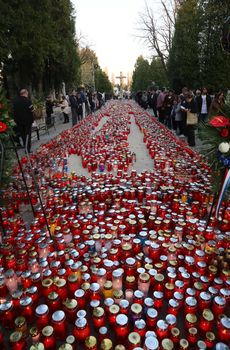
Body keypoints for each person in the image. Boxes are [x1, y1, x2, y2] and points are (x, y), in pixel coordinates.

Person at [13, 89, 34, 153]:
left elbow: (14, 111)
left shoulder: (15, 101)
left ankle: (25, 147)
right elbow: (32, 109)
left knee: (23, 135)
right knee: (28, 135)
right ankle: (27, 149)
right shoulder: (28, 100)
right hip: (27, 121)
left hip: (19, 122)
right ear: (25, 93)